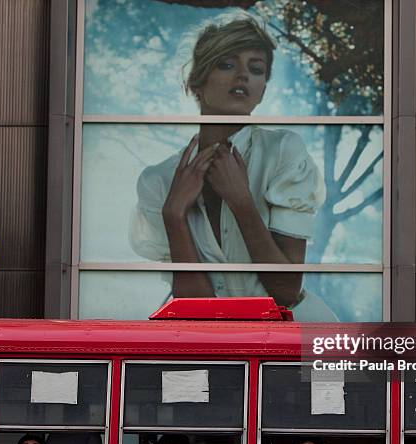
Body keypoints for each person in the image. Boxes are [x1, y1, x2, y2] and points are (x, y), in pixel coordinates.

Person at [129, 18, 333, 321]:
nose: (243, 76)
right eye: (226, 64)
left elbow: (287, 291)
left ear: (263, 90)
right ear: (196, 81)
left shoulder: (283, 152)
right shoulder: (158, 180)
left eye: (256, 69)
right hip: (215, 344)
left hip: (298, 337)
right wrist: (174, 215)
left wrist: (242, 202)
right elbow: (196, 307)